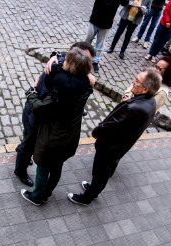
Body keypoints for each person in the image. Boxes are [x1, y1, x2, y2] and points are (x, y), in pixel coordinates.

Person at [67, 68, 162, 206]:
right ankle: (94, 189)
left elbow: (111, 126)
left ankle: (86, 198)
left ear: (145, 89)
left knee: (100, 172)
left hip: (110, 147)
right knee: (103, 173)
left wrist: (96, 132)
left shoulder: (133, 108)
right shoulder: (151, 102)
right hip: (120, 146)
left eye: (137, 81)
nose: (133, 82)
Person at [14, 42, 96, 187]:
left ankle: (24, 155)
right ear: (73, 54)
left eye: (88, 61)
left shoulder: (73, 69)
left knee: (30, 142)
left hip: (46, 118)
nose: (86, 64)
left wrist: (54, 55)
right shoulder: (58, 74)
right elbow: (42, 105)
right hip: (37, 114)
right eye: (84, 59)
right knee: (28, 143)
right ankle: (20, 170)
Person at [86, 0, 125, 72]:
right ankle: (83, 57)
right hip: (94, 19)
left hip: (106, 23)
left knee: (100, 44)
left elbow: (125, 3)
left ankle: (95, 61)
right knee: (88, 41)